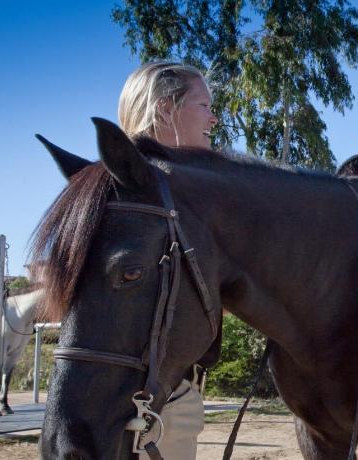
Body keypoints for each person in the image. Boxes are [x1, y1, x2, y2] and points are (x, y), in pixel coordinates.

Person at [118, 61, 218, 459]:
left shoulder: (175, 196)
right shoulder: (135, 202)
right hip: (142, 405)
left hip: (174, 399)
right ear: (164, 109)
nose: (214, 116)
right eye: (203, 104)